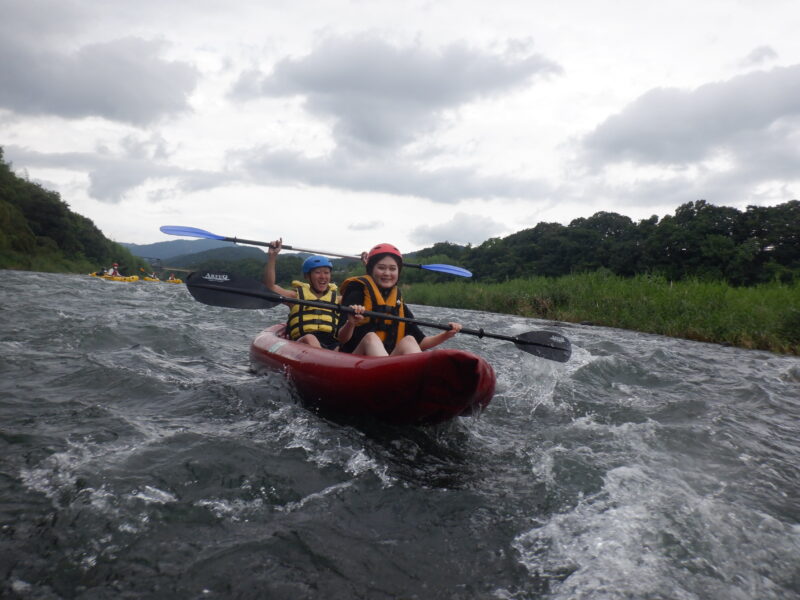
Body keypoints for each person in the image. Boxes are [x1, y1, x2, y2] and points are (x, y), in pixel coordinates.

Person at [337, 243, 462, 356]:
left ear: (398, 272)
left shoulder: (397, 302)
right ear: (371, 270)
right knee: (371, 338)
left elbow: (421, 342)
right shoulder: (356, 291)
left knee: (409, 340)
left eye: (392, 269)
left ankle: (416, 377)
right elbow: (341, 338)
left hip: (384, 363)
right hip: (354, 360)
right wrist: (350, 323)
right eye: (381, 268)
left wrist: (446, 335)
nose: (387, 273)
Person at [263, 238, 340, 350]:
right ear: (307, 276)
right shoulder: (295, 297)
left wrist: (369, 266)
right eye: (318, 272)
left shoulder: (338, 300)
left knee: (338, 347)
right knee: (310, 338)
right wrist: (272, 257)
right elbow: (270, 287)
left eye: (326, 273)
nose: (323, 277)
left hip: (331, 345)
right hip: (302, 343)